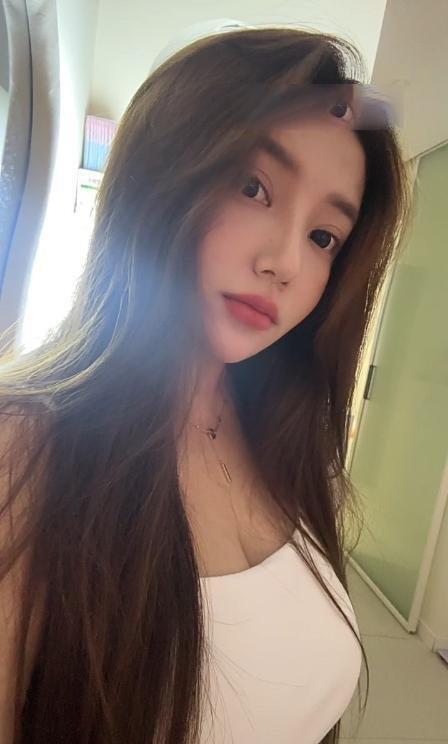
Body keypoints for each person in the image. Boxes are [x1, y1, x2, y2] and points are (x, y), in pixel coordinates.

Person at [0, 21, 413, 744]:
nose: (286, 262)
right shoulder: (24, 448)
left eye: (324, 237)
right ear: (162, 174)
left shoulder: (281, 438)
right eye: (254, 187)